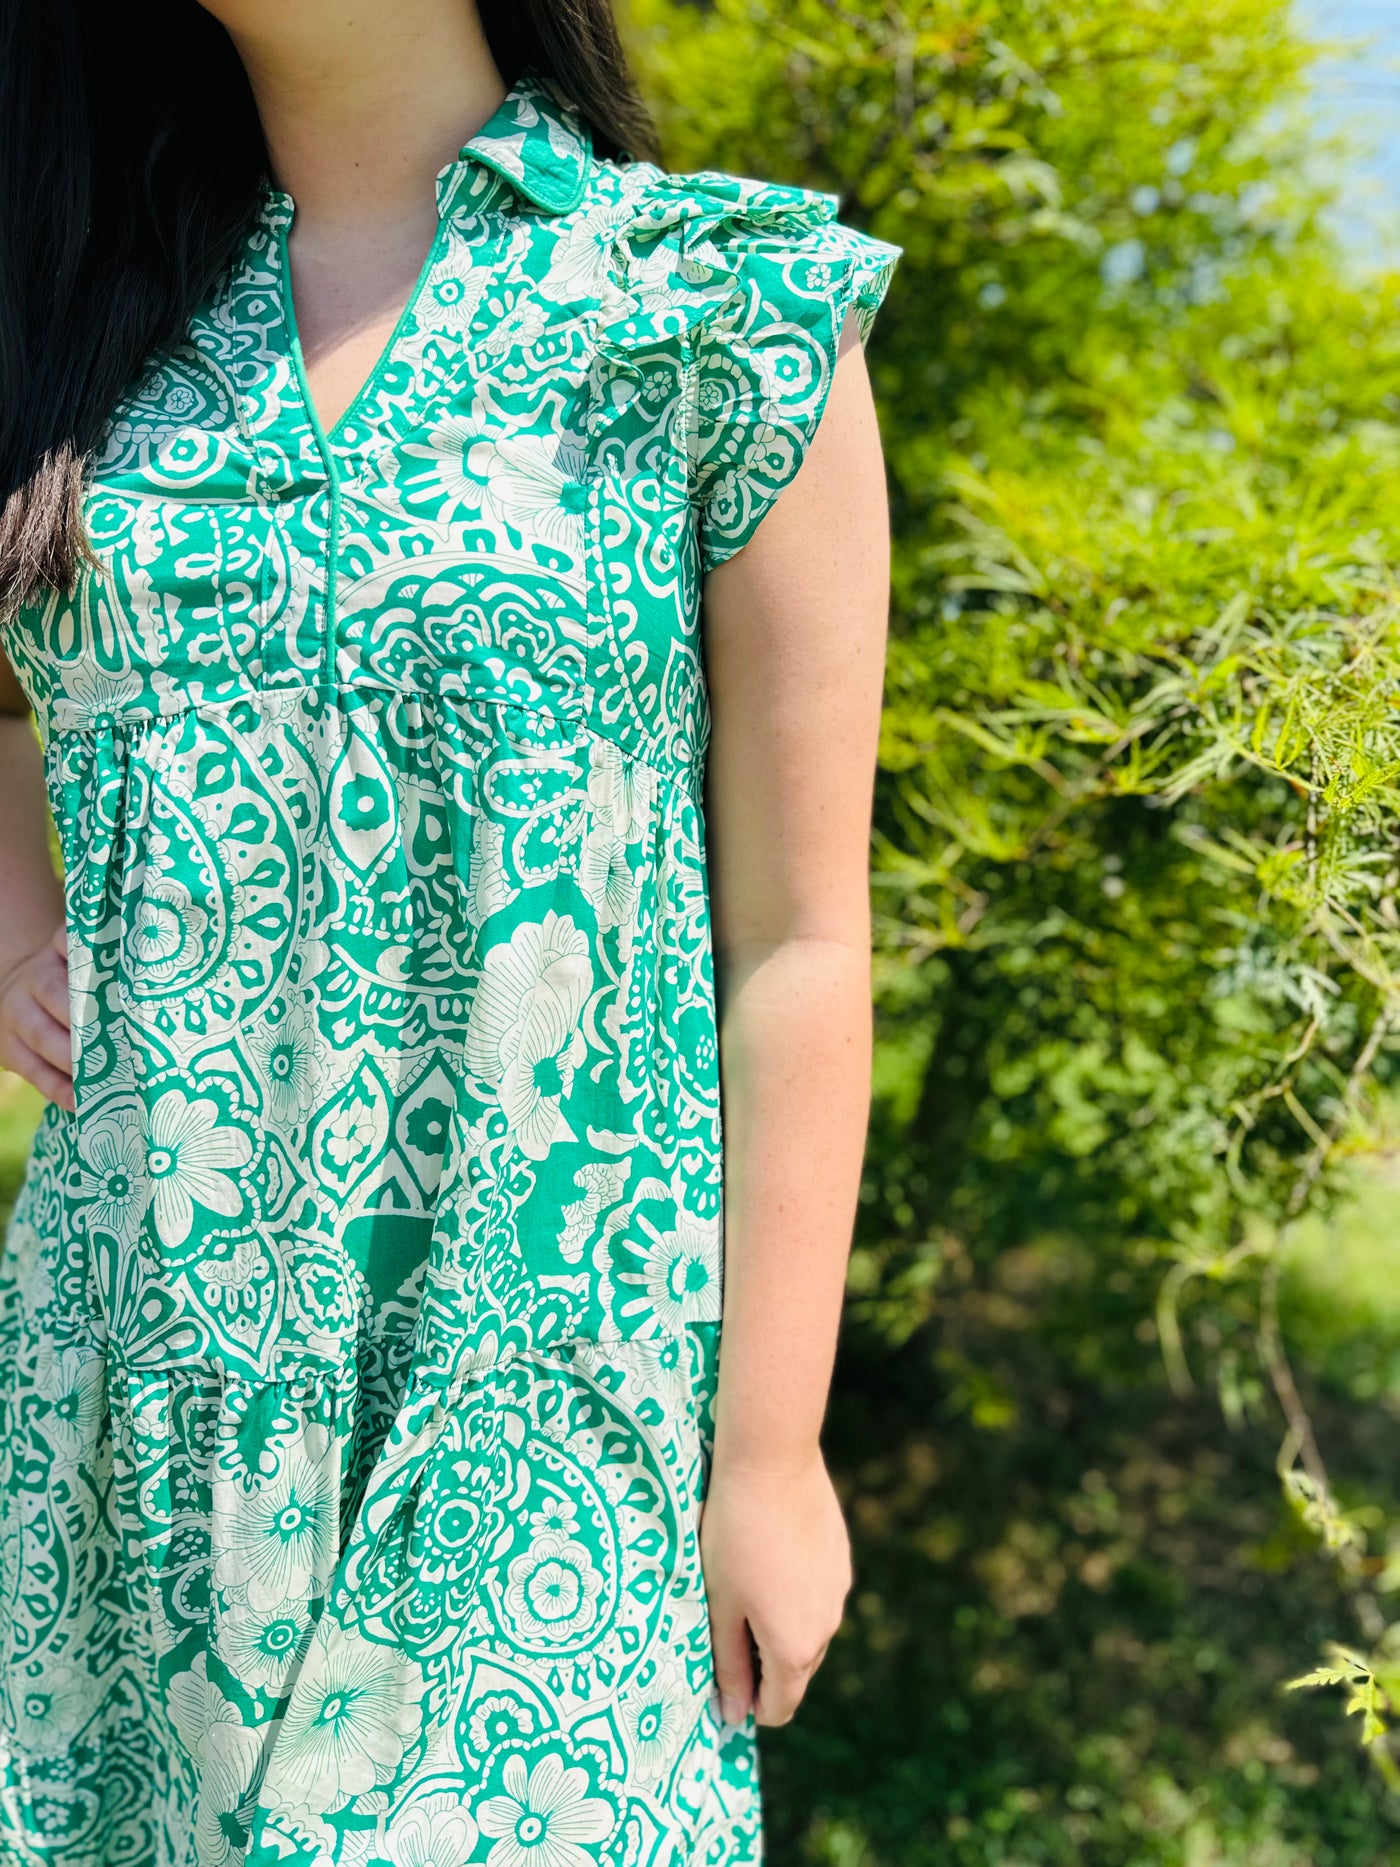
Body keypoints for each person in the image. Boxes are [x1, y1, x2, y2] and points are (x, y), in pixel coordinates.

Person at [0, 1, 900, 1860]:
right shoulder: (88, 323)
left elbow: (801, 937)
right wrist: (21, 912)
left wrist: (771, 1449)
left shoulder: (709, 308)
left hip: (541, 1418)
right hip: (126, 1414)